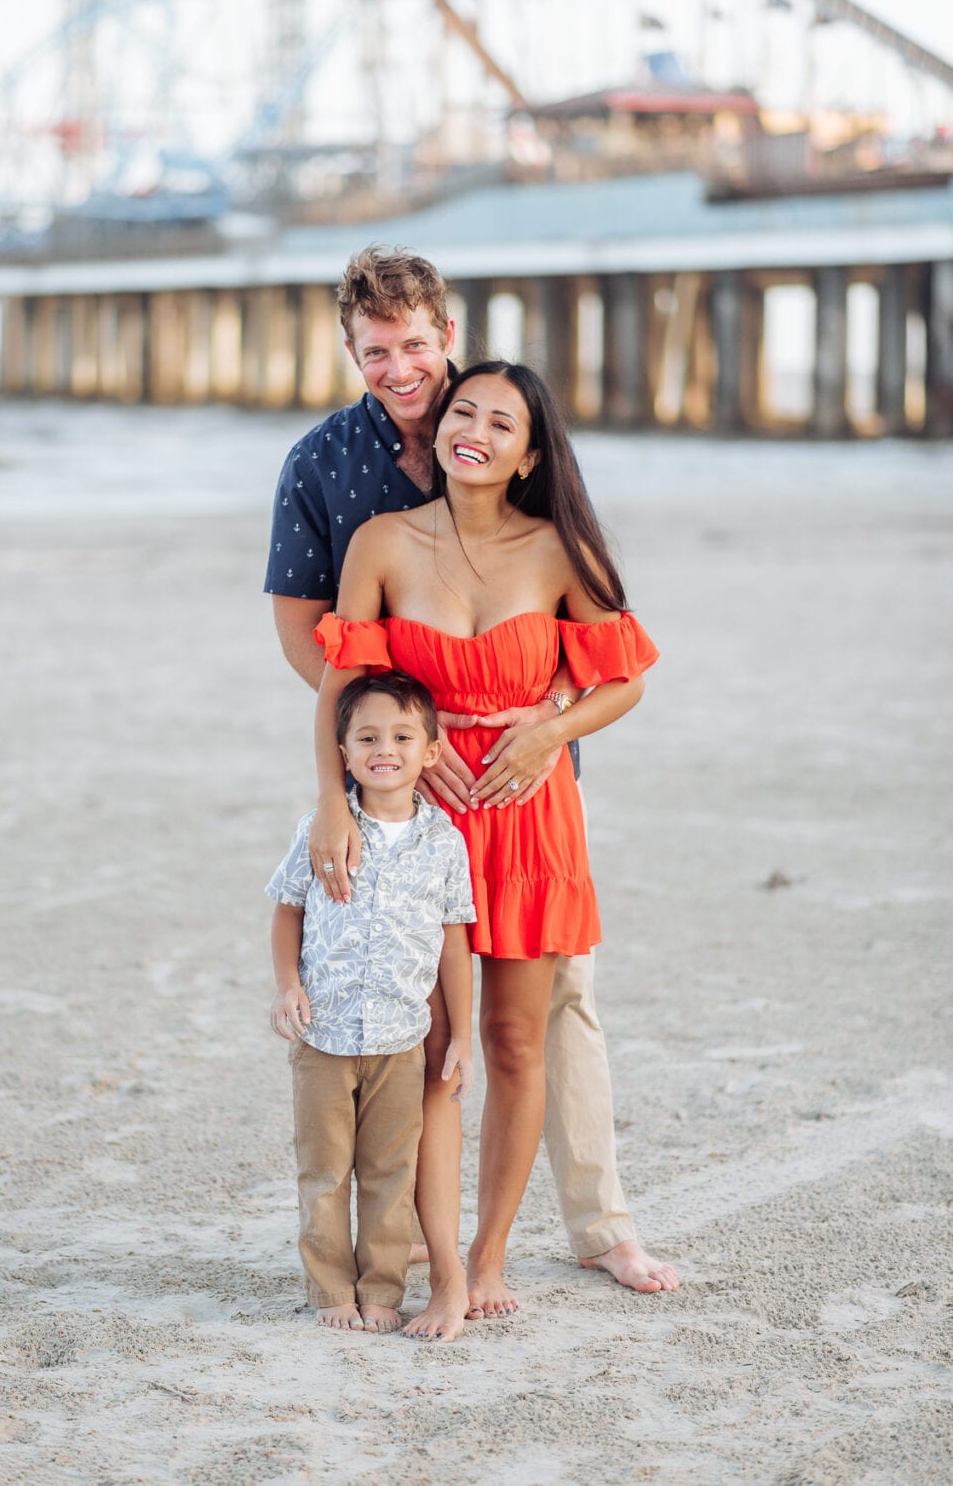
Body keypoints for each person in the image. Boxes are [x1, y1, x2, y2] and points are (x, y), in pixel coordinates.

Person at [264, 245, 677, 1318]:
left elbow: (620, 667)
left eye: (414, 345)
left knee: (534, 1028)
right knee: (430, 1045)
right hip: (417, 803)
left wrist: (550, 728)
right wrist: (387, 749)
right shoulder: (332, 475)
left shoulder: (535, 497)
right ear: (351, 352)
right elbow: (318, 649)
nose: (400, 369)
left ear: (445, 336)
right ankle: (426, 1257)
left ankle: (576, 1234)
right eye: (376, 352)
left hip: (531, 805)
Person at [267, 671, 475, 1334]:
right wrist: (288, 986)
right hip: (323, 1034)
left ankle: (382, 1288)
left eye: (402, 737)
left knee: (391, 1171)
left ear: (431, 751)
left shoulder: (443, 842)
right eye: (367, 738)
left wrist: (462, 1033)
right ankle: (332, 1288)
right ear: (344, 752)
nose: (384, 748)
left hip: (401, 1039)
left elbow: (454, 944)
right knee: (324, 1170)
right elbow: (288, 909)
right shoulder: (322, 827)